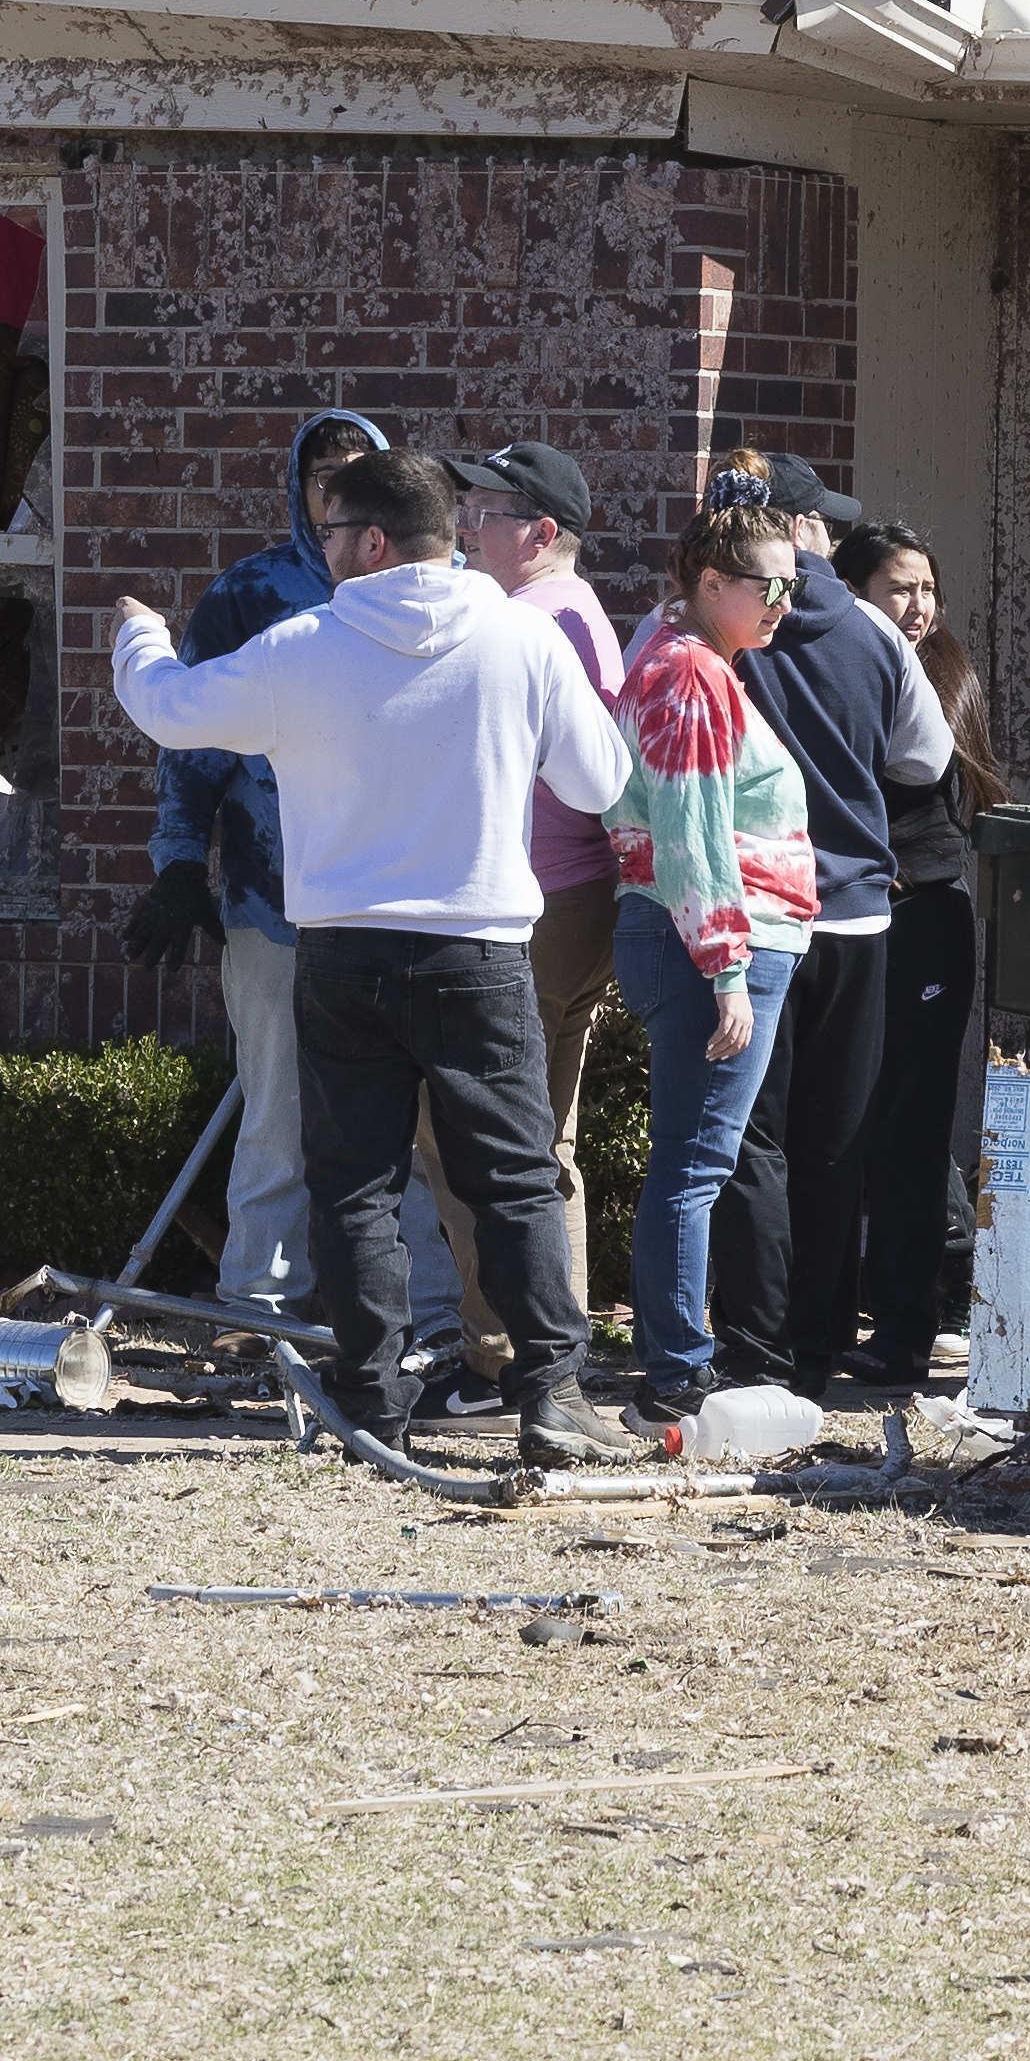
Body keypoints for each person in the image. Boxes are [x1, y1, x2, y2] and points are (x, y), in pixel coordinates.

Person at [111, 446, 641, 1463]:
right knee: (515, 1179)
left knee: (352, 1183)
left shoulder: (302, 645)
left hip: (344, 948)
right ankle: (553, 1395)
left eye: (329, 535)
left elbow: (172, 710)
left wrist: (139, 639)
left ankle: (368, 1397)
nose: (322, 552)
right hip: (480, 946)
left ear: (368, 540)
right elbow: (597, 780)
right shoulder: (523, 639)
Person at [126, 409, 454, 1356]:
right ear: (299, 489)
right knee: (276, 1113)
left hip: (391, 905)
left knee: (418, 1126)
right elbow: (190, 745)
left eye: (353, 475)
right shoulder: (253, 594)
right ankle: (258, 1313)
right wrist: (181, 864)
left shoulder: (429, 601)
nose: (332, 494)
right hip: (273, 900)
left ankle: (426, 1315)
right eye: (319, 477)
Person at [701, 450, 951, 1395]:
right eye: (822, 524)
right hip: (853, 912)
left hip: (755, 905)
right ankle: (815, 1341)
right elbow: (924, 760)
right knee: (834, 1139)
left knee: (749, 1137)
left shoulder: (715, 620)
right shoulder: (870, 631)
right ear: (798, 528)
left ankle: (754, 1343)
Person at [607, 500, 821, 1417]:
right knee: (695, 1165)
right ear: (708, 583)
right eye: (767, 585)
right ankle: (678, 1377)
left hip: (694, 936)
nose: (783, 601)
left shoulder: (686, 658)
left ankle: (676, 1364)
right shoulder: (690, 675)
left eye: (792, 584)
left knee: (692, 1161)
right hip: (701, 941)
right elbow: (691, 833)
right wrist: (727, 968)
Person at [428, 437, 623, 1408]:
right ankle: (553, 1355)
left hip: (535, 907)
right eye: (466, 507)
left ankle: (501, 1357)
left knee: (467, 1137)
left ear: (541, 533)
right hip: (574, 900)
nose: (466, 524)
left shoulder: (531, 621)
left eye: (488, 511)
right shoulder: (571, 611)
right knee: (545, 1144)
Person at [832, 517, 992, 1377]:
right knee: (851, 1115)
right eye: (901, 587)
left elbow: (931, 783)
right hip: (855, 914)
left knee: (912, 1120)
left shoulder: (941, 671)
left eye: (928, 587)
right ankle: (867, 1313)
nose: (920, 605)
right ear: (851, 589)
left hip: (926, 908)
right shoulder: (830, 658)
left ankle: (914, 1321)